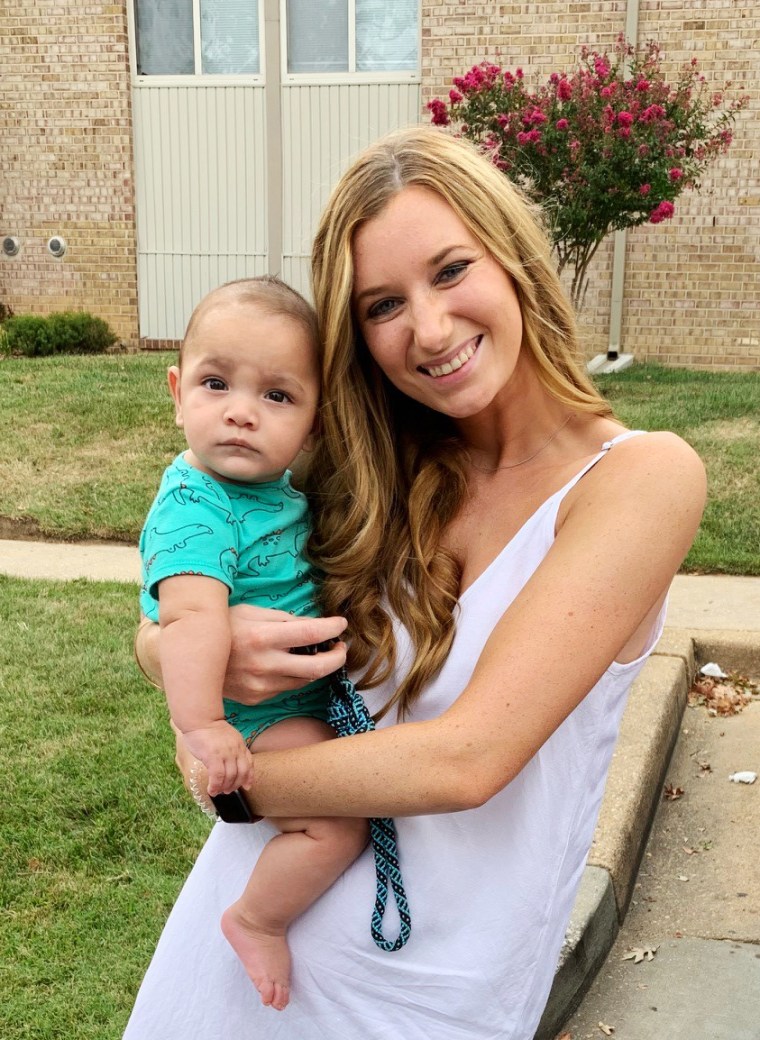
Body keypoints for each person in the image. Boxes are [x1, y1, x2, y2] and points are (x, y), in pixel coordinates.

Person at [125, 126, 705, 1040]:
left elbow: (466, 761)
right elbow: (175, 603)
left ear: (512, 255)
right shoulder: (366, 473)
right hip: (243, 956)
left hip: (431, 995)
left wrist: (226, 781)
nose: (429, 329)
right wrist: (177, 652)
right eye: (382, 304)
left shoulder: (640, 480)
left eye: (449, 270)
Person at [137, 276, 371, 1012]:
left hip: (280, 703)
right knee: (337, 826)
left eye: (277, 396)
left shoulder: (276, 495)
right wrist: (202, 725)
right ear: (176, 392)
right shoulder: (195, 505)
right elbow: (191, 619)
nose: (240, 412)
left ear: (314, 425)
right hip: (249, 720)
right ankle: (258, 917)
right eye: (215, 383)